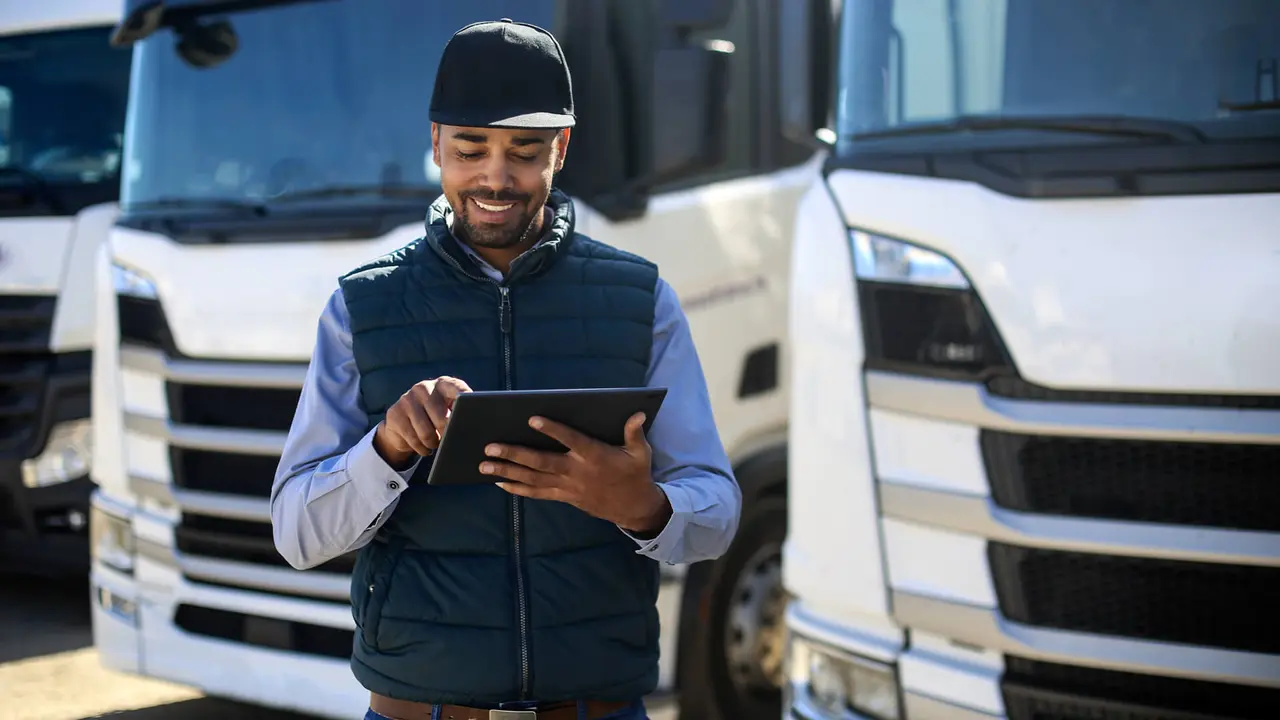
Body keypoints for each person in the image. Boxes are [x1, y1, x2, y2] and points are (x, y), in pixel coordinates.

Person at [270, 18, 742, 720]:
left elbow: (718, 509)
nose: (496, 177)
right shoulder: (359, 305)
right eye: (470, 149)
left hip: (595, 707)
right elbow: (296, 535)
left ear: (563, 149)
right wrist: (387, 449)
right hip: (419, 708)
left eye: (525, 152)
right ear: (435, 145)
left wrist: (641, 506)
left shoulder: (643, 301)